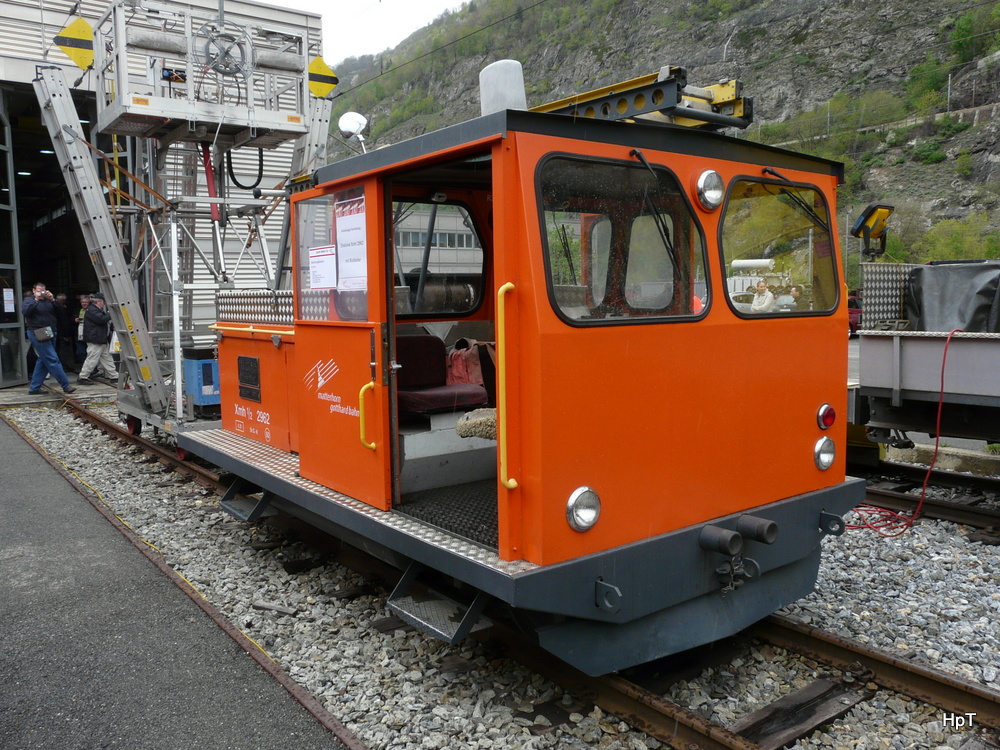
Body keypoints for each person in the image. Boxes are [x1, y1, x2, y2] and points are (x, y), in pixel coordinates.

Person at [22, 282, 76, 394]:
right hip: (38, 331)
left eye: (43, 291)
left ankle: (34, 388)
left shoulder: (48, 301)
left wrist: (53, 300)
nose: (41, 293)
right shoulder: (29, 300)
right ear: (33, 291)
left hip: (51, 331)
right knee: (52, 358)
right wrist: (36, 300)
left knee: (43, 360)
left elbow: (62, 311)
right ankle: (65, 385)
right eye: (38, 291)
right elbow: (26, 312)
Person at [77, 292, 118, 385]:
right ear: (99, 302)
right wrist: (110, 313)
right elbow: (101, 319)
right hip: (96, 339)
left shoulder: (94, 309)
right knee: (92, 359)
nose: (105, 303)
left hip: (100, 339)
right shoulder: (92, 310)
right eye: (104, 301)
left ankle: (114, 376)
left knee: (107, 358)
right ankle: (82, 377)